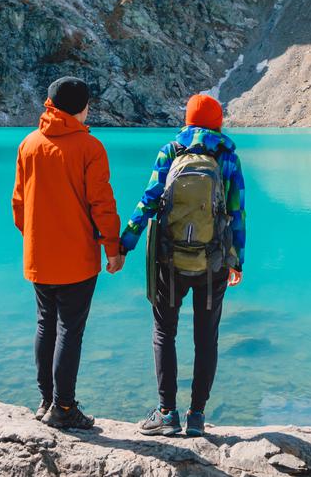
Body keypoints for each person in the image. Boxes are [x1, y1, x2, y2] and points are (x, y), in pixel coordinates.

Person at [119, 93, 246, 437]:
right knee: (207, 339)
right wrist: (237, 261)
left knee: (165, 332)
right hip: (213, 263)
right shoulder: (227, 157)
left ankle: (166, 413)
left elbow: (148, 200)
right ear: (218, 121)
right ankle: (197, 416)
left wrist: (125, 242)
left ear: (188, 120)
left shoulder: (171, 151)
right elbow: (236, 212)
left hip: (169, 260)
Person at [12, 76, 125, 430]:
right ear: (82, 108)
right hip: (77, 260)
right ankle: (63, 407)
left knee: (45, 324)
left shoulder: (28, 144)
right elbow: (102, 204)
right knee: (69, 330)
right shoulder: (89, 147)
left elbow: (18, 203)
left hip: (39, 256)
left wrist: (35, 238)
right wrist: (113, 248)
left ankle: (46, 400)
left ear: (50, 104)